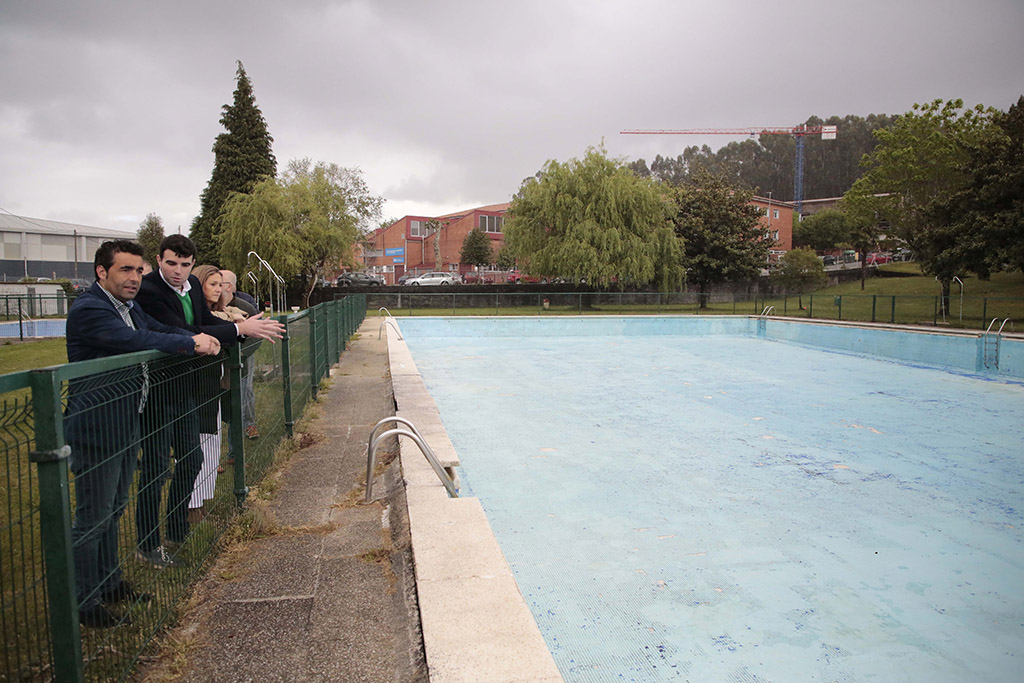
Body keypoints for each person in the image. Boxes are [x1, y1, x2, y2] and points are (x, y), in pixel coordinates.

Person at [64, 239, 220, 628]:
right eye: (125, 270)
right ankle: (84, 601)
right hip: (97, 426)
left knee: (114, 509)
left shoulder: (129, 307)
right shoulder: (91, 309)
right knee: (93, 516)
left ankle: (111, 582)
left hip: (124, 420)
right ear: (102, 272)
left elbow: (158, 328)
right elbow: (138, 340)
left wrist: (201, 335)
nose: (135, 278)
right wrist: (190, 342)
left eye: (138, 271)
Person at [133, 235, 283, 568]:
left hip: (185, 389)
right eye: (171, 263)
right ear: (159, 260)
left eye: (185, 265)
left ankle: (177, 529)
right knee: (156, 469)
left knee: (191, 459)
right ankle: (146, 544)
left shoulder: (189, 289)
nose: (178, 271)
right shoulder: (149, 290)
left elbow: (206, 323)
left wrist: (242, 327)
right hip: (159, 391)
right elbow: (185, 329)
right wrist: (237, 328)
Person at [221, 269, 260, 438]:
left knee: (245, 389)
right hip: (221, 358)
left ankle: (248, 425)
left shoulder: (245, 306)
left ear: (228, 286)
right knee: (227, 392)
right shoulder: (212, 305)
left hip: (242, 357)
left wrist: (242, 352)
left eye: (218, 283)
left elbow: (257, 334)